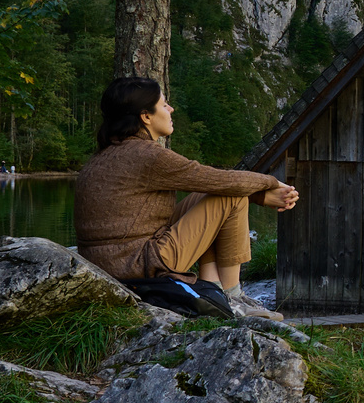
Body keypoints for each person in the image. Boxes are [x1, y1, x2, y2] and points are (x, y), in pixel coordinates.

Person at [75, 76, 298, 321]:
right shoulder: (147, 155)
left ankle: (212, 290)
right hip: (139, 264)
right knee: (229, 197)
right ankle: (232, 299)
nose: (171, 109)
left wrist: (257, 196)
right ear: (145, 116)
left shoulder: (102, 156)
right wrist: (271, 184)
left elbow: (210, 184)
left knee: (211, 195)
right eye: (164, 104)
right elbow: (219, 179)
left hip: (110, 263)